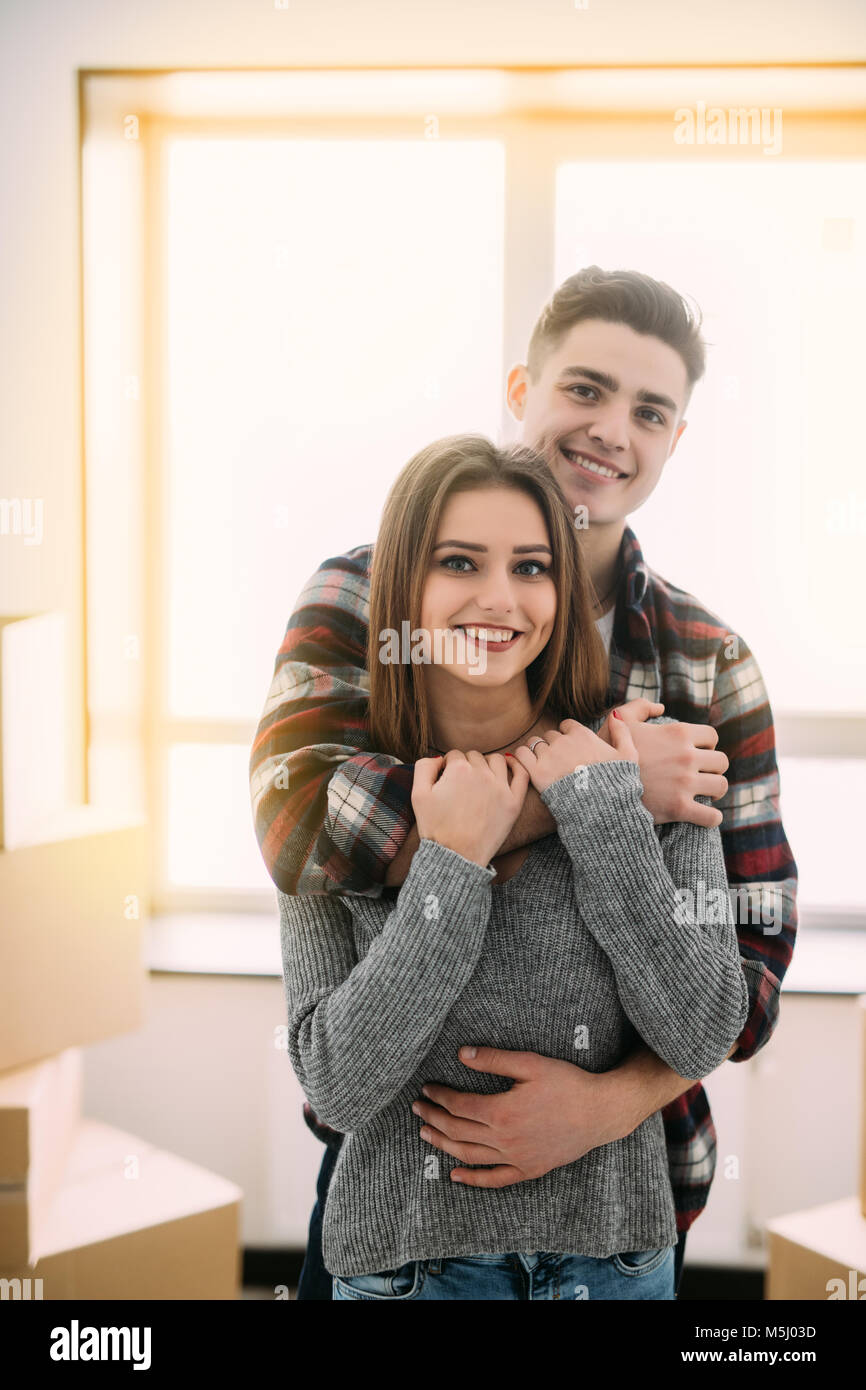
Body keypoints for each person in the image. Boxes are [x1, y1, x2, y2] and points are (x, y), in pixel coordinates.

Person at [249, 266, 798, 1299]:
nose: (607, 431)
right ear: (521, 389)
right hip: (402, 1197)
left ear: (674, 438)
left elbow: (750, 962)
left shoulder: (703, 661)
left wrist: (604, 1105)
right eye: (583, 389)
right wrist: (602, 790)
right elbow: (306, 828)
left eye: (647, 410)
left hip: (622, 1198)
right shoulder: (362, 594)